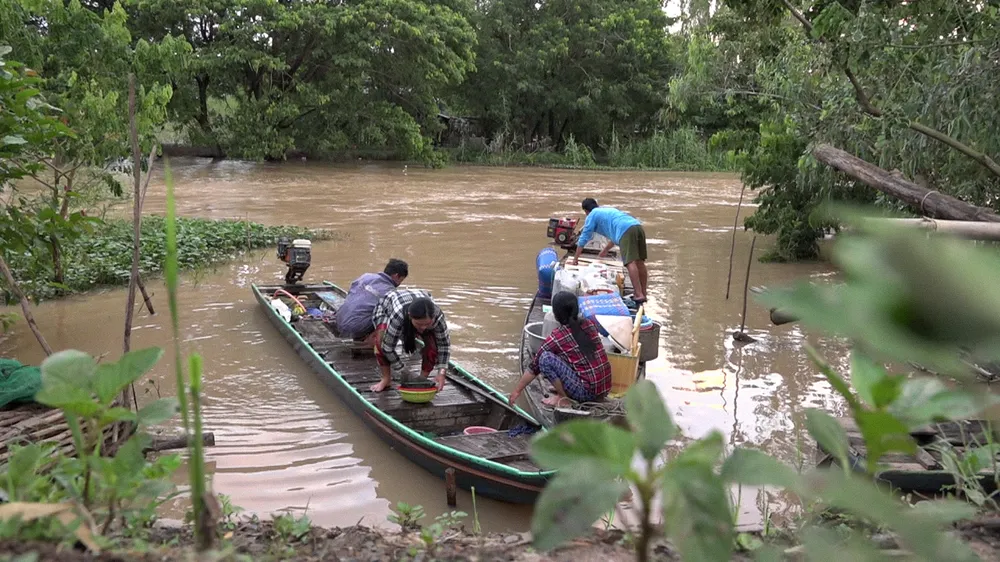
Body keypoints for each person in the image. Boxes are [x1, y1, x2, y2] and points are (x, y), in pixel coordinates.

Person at [508, 291, 612, 407]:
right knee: (564, 355)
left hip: (587, 393)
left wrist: (517, 390)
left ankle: (564, 398)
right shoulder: (589, 324)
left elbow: (534, 367)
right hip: (604, 388)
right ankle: (566, 389)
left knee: (545, 359)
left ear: (557, 315)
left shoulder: (558, 337)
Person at [370, 288, 451, 393]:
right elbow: (387, 347)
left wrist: (442, 372)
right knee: (381, 342)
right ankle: (386, 379)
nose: (423, 328)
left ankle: (422, 379)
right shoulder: (398, 316)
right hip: (386, 308)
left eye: (427, 324)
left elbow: (444, 345)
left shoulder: (438, 317)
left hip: (415, 307)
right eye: (419, 324)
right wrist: (403, 371)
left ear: (433, 317)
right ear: (410, 317)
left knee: (433, 346)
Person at [572, 198, 649, 304]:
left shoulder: (592, 215)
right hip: (637, 226)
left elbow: (583, 238)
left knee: (630, 262)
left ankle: (638, 294)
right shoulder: (606, 211)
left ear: (585, 211)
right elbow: (614, 235)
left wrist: (575, 258)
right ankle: (643, 293)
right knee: (640, 262)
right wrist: (605, 250)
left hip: (625, 230)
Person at [336, 259, 408, 344]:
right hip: (354, 329)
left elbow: (350, 294)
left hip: (339, 320)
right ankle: (368, 342)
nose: (399, 283)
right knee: (393, 316)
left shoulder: (365, 276)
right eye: (401, 280)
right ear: (396, 276)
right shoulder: (391, 293)